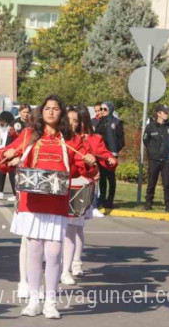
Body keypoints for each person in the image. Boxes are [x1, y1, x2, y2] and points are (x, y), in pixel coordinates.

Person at [0, 96, 93, 319]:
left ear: (61, 113)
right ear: (41, 112)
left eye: (55, 109)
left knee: (54, 252)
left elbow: (80, 170)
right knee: (34, 250)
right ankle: (34, 299)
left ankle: (50, 301)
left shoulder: (70, 139)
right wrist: (6, 154)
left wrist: (87, 162)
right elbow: (1, 156)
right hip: (32, 201)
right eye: (47, 108)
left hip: (57, 202)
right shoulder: (29, 135)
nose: (50, 112)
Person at [61, 105, 116, 285]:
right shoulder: (62, 137)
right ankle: (65, 262)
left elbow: (104, 157)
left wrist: (106, 160)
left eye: (78, 120)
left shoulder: (93, 138)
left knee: (76, 226)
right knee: (64, 228)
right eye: (71, 119)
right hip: (62, 185)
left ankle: (73, 263)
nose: (74, 123)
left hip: (82, 187)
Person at [93, 101, 124, 209]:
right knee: (101, 177)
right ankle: (101, 199)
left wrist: (114, 150)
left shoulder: (116, 122)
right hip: (100, 154)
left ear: (110, 109)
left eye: (104, 109)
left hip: (111, 154)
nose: (102, 111)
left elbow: (121, 140)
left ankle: (110, 199)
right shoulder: (99, 122)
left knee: (110, 177)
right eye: (101, 109)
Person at [143, 105, 169, 211]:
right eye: (165, 112)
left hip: (167, 159)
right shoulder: (150, 127)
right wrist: (152, 152)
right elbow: (146, 141)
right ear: (158, 113)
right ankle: (148, 202)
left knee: (167, 183)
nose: (166, 114)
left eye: (167, 112)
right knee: (151, 182)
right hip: (154, 159)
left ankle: (168, 204)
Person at [0, 111, 18, 201]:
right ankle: (0, 191)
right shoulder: (8, 128)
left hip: (11, 154)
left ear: (5, 120)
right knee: (2, 170)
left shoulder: (11, 129)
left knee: (11, 173)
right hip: (7, 153)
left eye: (1, 121)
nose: (0, 123)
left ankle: (16, 194)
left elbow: (6, 144)